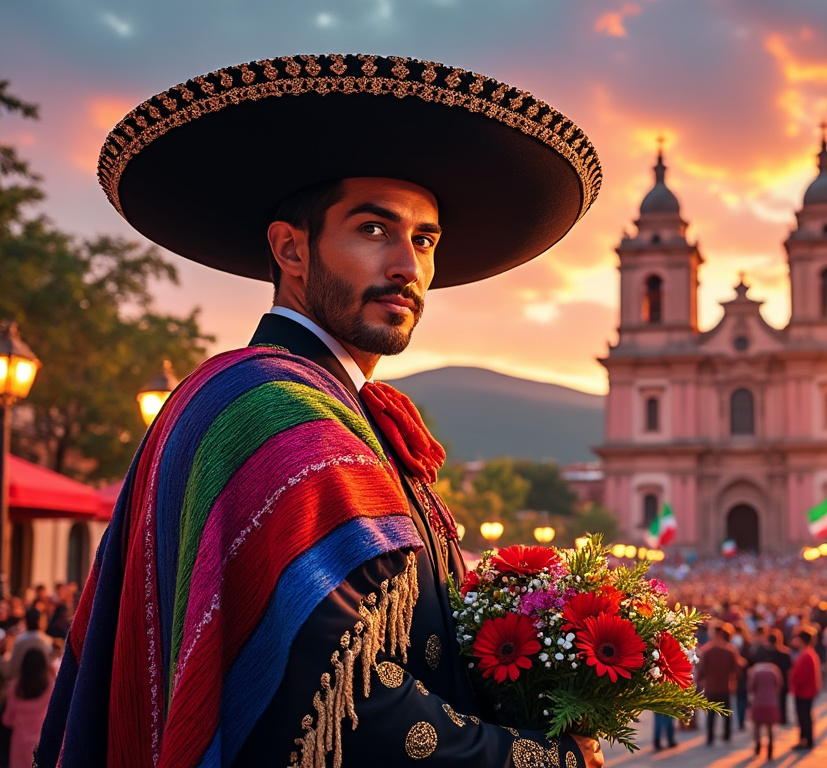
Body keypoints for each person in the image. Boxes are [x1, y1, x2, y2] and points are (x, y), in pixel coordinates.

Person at [36, 54, 605, 768]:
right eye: (374, 230)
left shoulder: (340, 414)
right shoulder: (272, 409)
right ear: (291, 249)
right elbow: (346, 698)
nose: (407, 264)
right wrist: (542, 757)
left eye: (424, 239)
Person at [4, 648, 52, 768]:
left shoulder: (14, 686)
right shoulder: (50, 687)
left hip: (19, 743)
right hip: (40, 742)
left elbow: (7, 720)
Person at [697, 623, 743, 746]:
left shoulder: (707, 650)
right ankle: (726, 736)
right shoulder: (730, 650)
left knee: (711, 715)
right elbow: (737, 670)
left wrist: (699, 685)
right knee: (726, 714)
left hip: (711, 687)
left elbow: (701, 671)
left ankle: (710, 737)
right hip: (725, 687)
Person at [789, 629, 821, 751]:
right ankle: (805, 739)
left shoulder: (806, 655)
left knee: (804, 716)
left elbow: (801, 675)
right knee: (804, 715)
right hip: (805, 690)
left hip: (804, 691)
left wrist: (793, 679)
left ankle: (806, 740)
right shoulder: (807, 653)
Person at [753, 629, 792, 728]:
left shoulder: (765, 652)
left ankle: (771, 718)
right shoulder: (785, 653)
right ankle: (781, 718)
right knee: (782, 701)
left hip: (768, 683)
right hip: (781, 681)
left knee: (771, 701)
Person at [746, 656, 783, 759]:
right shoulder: (774, 670)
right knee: (770, 727)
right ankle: (770, 747)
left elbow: (750, 686)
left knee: (757, 725)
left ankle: (758, 745)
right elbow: (779, 685)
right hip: (771, 702)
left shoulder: (755, 671)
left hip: (758, 702)